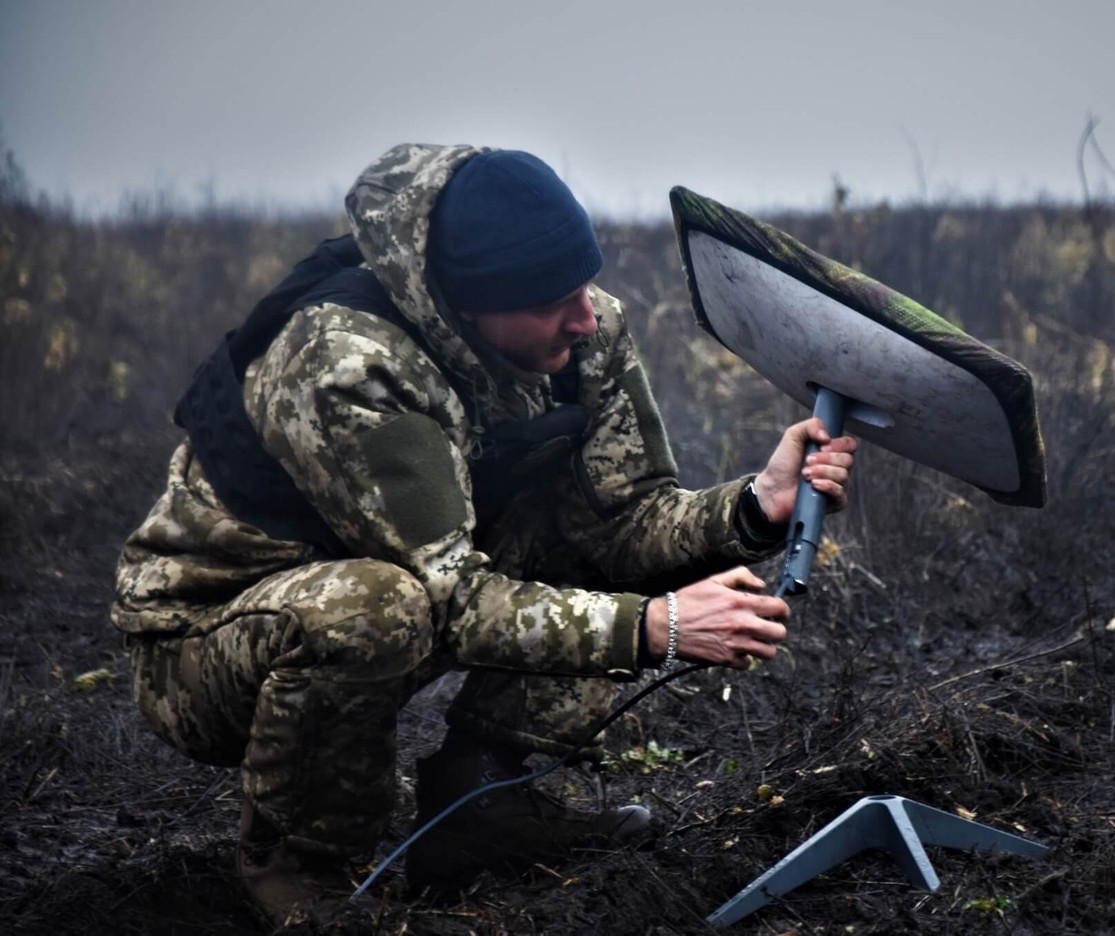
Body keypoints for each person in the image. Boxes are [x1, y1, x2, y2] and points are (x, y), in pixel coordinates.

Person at [110, 144, 857, 926]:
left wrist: (756, 505)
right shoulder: (347, 361)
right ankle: (298, 864)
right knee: (375, 605)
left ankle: (479, 804)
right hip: (205, 644)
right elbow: (450, 596)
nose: (583, 316)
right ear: (468, 303)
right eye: (548, 300)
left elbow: (628, 519)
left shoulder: (587, 332)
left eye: (582, 285)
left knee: (571, 527)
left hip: (403, 589)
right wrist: (655, 628)